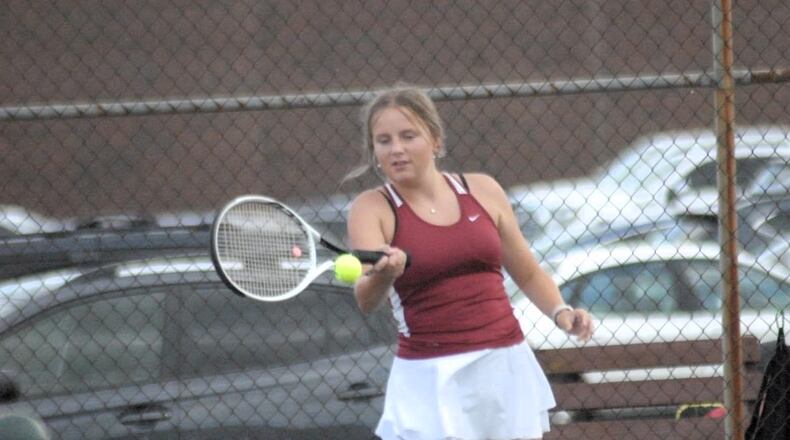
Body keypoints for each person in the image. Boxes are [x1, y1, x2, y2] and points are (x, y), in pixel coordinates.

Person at [344, 85, 595, 440]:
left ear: (435, 139)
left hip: (504, 364)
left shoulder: (483, 190)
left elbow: (526, 271)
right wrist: (386, 275)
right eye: (384, 141)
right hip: (429, 375)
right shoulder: (371, 208)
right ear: (375, 151)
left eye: (408, 136)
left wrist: (560, 311)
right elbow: (366, 298)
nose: (396, 149)